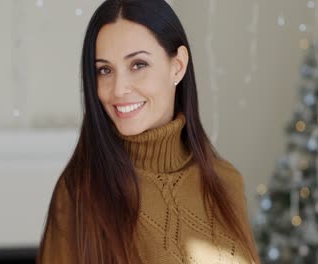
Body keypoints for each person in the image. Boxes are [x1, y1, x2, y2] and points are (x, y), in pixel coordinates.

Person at [36, 0, 260, 263]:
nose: (119, 89)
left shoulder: (225, 182)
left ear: (177, 66)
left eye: (138, 65)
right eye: (104, 70)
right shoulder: (79, 193)